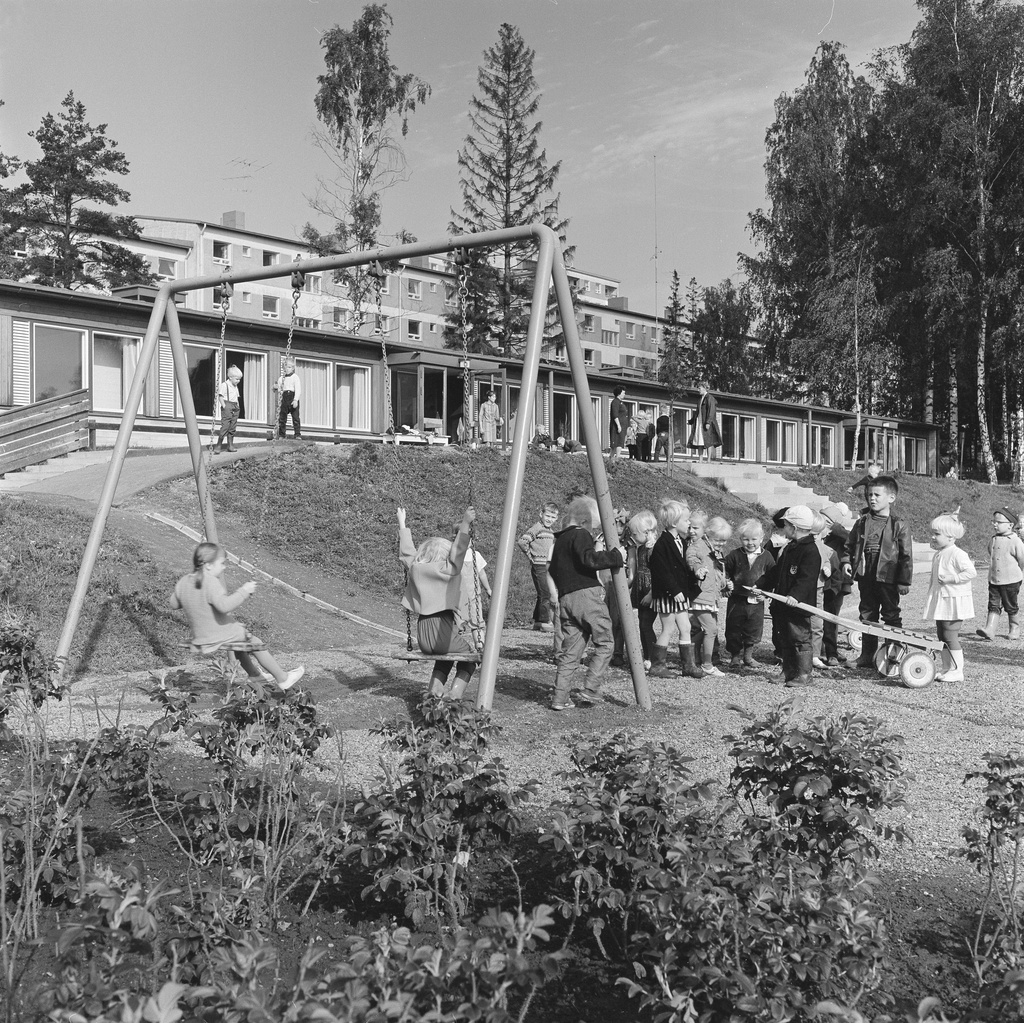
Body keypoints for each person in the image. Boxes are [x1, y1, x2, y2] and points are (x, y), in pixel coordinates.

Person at [170, 542, 304, 692]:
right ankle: (283, 678)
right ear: (208, 565)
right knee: (255, 643)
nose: (224, 567)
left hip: (201, 637)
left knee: (239, 644)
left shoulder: (185, 581)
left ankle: (254, 675)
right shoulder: (210, 582)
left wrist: (189, 596)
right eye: (221, 563)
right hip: (218, 634)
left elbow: (174, 604)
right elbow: (224, 606)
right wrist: (244, 591)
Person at [547, 496, 626, 711]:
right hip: (585, 596)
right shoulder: (580, 534)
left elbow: (552, 569)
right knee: (606, 641)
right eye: (593, 527)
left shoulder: (559, 540)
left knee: (570, 653)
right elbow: (589, 559)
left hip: (566, 599)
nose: (592, 532)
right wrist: (616, 556)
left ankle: (560, 698)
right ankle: (590, 688)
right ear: (583, 522)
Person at [398, 505, 478, 700]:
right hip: (442, 631)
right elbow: (458, 551)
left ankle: (435, 691)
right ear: (445, 555)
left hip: (424, 635)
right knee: (469, 659)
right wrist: (466, 523)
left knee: (445, 659)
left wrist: (402, 523)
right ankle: (455, 694)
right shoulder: (448, 569)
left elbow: (407, 552)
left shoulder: (415, 567)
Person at [843, 475, 913, 670]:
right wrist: (847, 561)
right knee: (867, 613)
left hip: (888, 576)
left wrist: (904, 581)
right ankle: (867, 655)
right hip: (867, 575)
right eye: (869, 495)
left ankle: (893, 655)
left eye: (876, 495)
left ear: (891, 498)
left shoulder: (899, 524)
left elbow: (906, 556)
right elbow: (849, 546)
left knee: (891, 614)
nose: (871, 498)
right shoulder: (862, 522)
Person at [757, 505, 822, 688]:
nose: (783, 528)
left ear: (794, 527)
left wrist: (795, 596)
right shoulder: (788, 548)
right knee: (785, 637)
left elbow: (807, 579)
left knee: (800, 638)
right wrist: (762, 584)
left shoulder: (810, 551)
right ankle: (788, 670)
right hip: (782, 604)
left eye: (785, 525)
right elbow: (777, 572)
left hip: (797, 606)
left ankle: (804, 674)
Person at [647, 499, 701, 679]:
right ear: (674, 522)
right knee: (668, 628)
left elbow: (682, 569)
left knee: (685, 626)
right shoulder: (662, 544)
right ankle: (657, 665)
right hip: (668, 595)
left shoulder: (681, 542)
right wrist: (675, 591)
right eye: (686, 521)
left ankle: (689, 665)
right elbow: (661, 571)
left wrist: (696, 575)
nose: (689, 524)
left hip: (679, 594)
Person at [924, 513, 976, 682]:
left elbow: (970, 572)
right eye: (933, 533)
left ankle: (957, 670)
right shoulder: (940, 553)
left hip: (953, 600)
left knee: (950, 635)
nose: (933, 537)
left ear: (951, 537)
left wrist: (952, 579)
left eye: (937, 534)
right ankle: (947, 668)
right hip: (943, 599)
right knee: (941, 634)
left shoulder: (957, 554)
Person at [723, 518, 774, 669]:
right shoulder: (734, 555)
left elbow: (772, 577)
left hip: (756, 600)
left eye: (754, 539)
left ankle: (748, 656)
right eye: (745, 539)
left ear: (762, 538)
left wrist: (765, 593)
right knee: (734, 627)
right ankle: (735, 656)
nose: (750, 543)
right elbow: (723, 570)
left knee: (753, 627)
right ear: (740, 539)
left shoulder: (767, 556)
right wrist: (727, 582)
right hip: (737, 598)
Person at [688, 514, 732, 676]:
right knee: (711, 630)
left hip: (711, 597)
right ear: (708, 534)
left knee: (705, 629)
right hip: (700, 596)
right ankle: (707, 664)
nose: (721, 544)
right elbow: (692, 558)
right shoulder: (698, 546)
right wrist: (697, 569)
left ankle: (689, 656)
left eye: (724, 541)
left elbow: (718, 577)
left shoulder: (717, 552)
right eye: (718, 540)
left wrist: (726, 584)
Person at [977, 506, 1024, 640]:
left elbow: (1022, 559)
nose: (995, 524)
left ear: (1010, 525)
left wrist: (1017, 571)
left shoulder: (1015, 541)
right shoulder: (993, 539)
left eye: (998, 522)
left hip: (1011, 580)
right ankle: (990, 629)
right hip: (994, 579)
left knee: (1010, 604)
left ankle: (1014, 628)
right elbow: (991, 553)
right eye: (994, 521)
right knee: (993, 604)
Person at [819, 504, 853, 666]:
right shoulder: (817, 536)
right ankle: (820, 650)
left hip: (835, 584)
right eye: (821, 519)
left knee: (831, 617)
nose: (822, 523)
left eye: (827, 521)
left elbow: (852, 539)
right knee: (817, 617)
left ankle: (831, 652)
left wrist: (837, 528)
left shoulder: (840, 538)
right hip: (820, 582)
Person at [518, 502, 559, 632]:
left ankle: (537, 620)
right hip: (539, 565)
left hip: (547, 566)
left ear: (556, 518)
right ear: (541, 514)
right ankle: (544, 620)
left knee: (542, 592)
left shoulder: (550, 531)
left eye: (553, 517)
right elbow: (523, 541)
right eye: (547, 516)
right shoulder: (537, 528)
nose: (549, 519)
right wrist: (531, 556)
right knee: (545, 593)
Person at [626, 510, 658, 669]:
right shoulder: (641, 548)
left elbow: (659, 574)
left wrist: (652, 594)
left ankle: (653, 657)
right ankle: (647, 656)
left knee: (646, 624)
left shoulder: (652, 550)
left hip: (650, 591)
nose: (632, 536)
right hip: (641, 589)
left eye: (634, 533)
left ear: (645, 533)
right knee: (642, 623)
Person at [688, 381, 722, 461]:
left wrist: (708, 422)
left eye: (699, 388)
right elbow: (697, 412)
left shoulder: (710, 398)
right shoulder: (700, 399)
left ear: (704, 388)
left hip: (706, 422)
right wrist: (691, 421)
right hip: (699, 422)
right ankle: (700, 459)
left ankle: (709, 459)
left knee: (708, 440)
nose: (698, 390)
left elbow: (711, 410)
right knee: (700, 440)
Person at [214, 365, 243, 453]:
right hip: (227, 405)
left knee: (232, 427)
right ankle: (218, 445)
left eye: (239, 379)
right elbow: (220, 396)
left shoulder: (235, 387)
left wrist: (237, 405)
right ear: (230, 377)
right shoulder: (224, 385)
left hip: (235, 406)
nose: (238, 381)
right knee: (225, 426)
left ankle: (230, 445)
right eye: (236, 379)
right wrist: (223, 405)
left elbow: (236, 397)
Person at [274, 358, 302, 440]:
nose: (287, 369)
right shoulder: (281, 379)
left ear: (293, 368)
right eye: (286, 367)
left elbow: (298, 389)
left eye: (289, 367)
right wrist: (276, 389)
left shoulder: (295, 377)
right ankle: (282, 434)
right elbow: (280, 390)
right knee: (282, 418)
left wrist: (296, 399)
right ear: (283, 368)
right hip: (284, 397)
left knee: (296, 418)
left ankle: (297, 434)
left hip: (292, 397)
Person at [609, 386, 627, 457]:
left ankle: (618, 457)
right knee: (616, 443)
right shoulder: (615, 402)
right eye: (623, 393)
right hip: (616, 426)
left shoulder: (621, 403)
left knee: (620, 442)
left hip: (623, 425)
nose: (624, 395)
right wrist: (618, 425)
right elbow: (615, 415)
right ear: (619, 393)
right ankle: (614, 458)